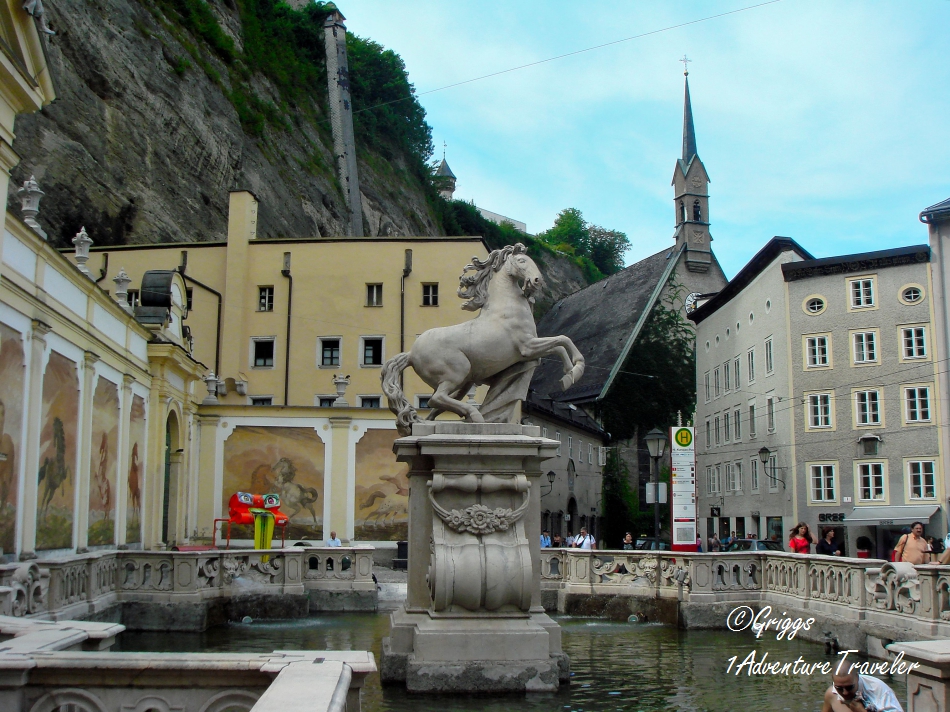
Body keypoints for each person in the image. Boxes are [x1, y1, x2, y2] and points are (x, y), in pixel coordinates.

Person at [821, 669, 903, 712]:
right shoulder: (831, 694)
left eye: (849, 687)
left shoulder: (880, 691)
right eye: (839, 688)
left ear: (857, 678)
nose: (844, 692)